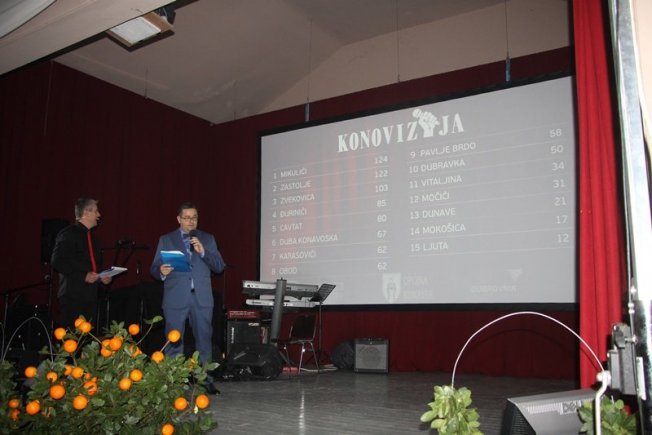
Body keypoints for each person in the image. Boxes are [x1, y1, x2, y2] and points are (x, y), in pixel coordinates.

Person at [150, 202, 225, 372]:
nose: (191, 221)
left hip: (202, 298)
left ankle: (205, 379)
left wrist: (203, 252)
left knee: (204, 342)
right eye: (187, 218)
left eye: (194, 218)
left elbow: (219, 266)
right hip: (176, 297)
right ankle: (173, 381)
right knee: (174, 341)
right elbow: (154, 268)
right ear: (179, 219)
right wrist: (161, 271)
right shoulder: (166, 239)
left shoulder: (207, 238)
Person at [51, 197, 112, 329]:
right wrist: (83, 276)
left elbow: (93, 268)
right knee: (71, 336)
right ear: (86, 213)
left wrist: (102, 277)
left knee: (87, 338)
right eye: (96, 211)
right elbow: (57, 261)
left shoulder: (94, 240)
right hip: (72, 295)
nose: (99, 215)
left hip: (90, 296)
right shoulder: (68, 233)